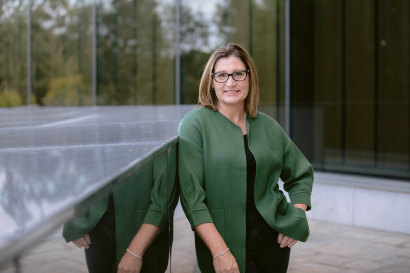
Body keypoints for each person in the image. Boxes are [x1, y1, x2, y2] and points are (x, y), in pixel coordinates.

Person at [178, 43, 314, 273]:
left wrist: (296, 217)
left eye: (239, 74)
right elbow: (192, 199)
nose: (231, 82)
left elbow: (301, 173)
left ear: (249, 78)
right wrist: (219, 252)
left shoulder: (267, 126)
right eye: (222, 75)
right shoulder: (195, 125)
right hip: (222, 240)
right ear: (211, 81)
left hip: (273, 241)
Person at [63, 147, 179, 273]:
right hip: (97, 231)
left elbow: (165, 198)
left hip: (142, 229)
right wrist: (75, 219)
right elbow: (79, 158)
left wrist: (135, 252)